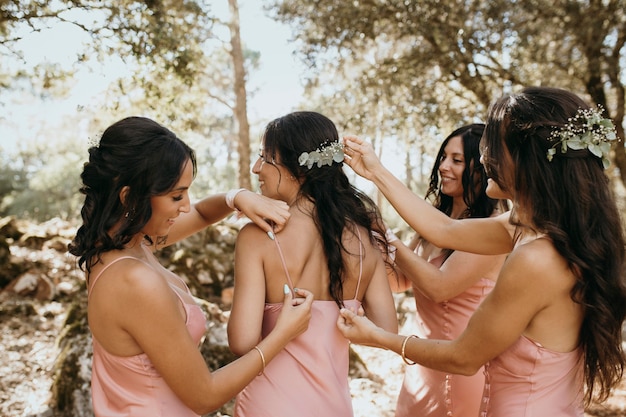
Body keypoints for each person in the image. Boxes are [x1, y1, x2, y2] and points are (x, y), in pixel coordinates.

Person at [338, 86, 626, 417]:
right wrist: (374, 170)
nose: (485, 157)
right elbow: (443, 230)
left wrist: (379, 338)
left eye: (495, 146)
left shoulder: (537, 258)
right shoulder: (529, 229)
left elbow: (464, 357)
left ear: (526, 160)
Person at [67, 116, 314, 417]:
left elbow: (200, 213)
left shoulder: (124, 246)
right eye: (175, 196)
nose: (185, 204)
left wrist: (237, 197)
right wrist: (282, 334)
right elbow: (205, 396)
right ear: (130, 197)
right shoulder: (133, 280)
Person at [227, 110, 398, 417]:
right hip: (333, 405)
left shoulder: (258, 236)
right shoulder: (364, 239)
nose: (256, 168)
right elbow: (387, 331)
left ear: (298, 169)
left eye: (265, 158)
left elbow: (242, 341)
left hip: (268, 405)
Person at [388, 124, 509, 417]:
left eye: (456, 160)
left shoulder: (493, 228)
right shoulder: (435, 219)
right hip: (421, 365)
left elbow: (439, 286)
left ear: (481, 168)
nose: (443, 166)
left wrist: (388, 239)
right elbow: (399, 280)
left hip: (461, 367)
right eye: (443, 157)